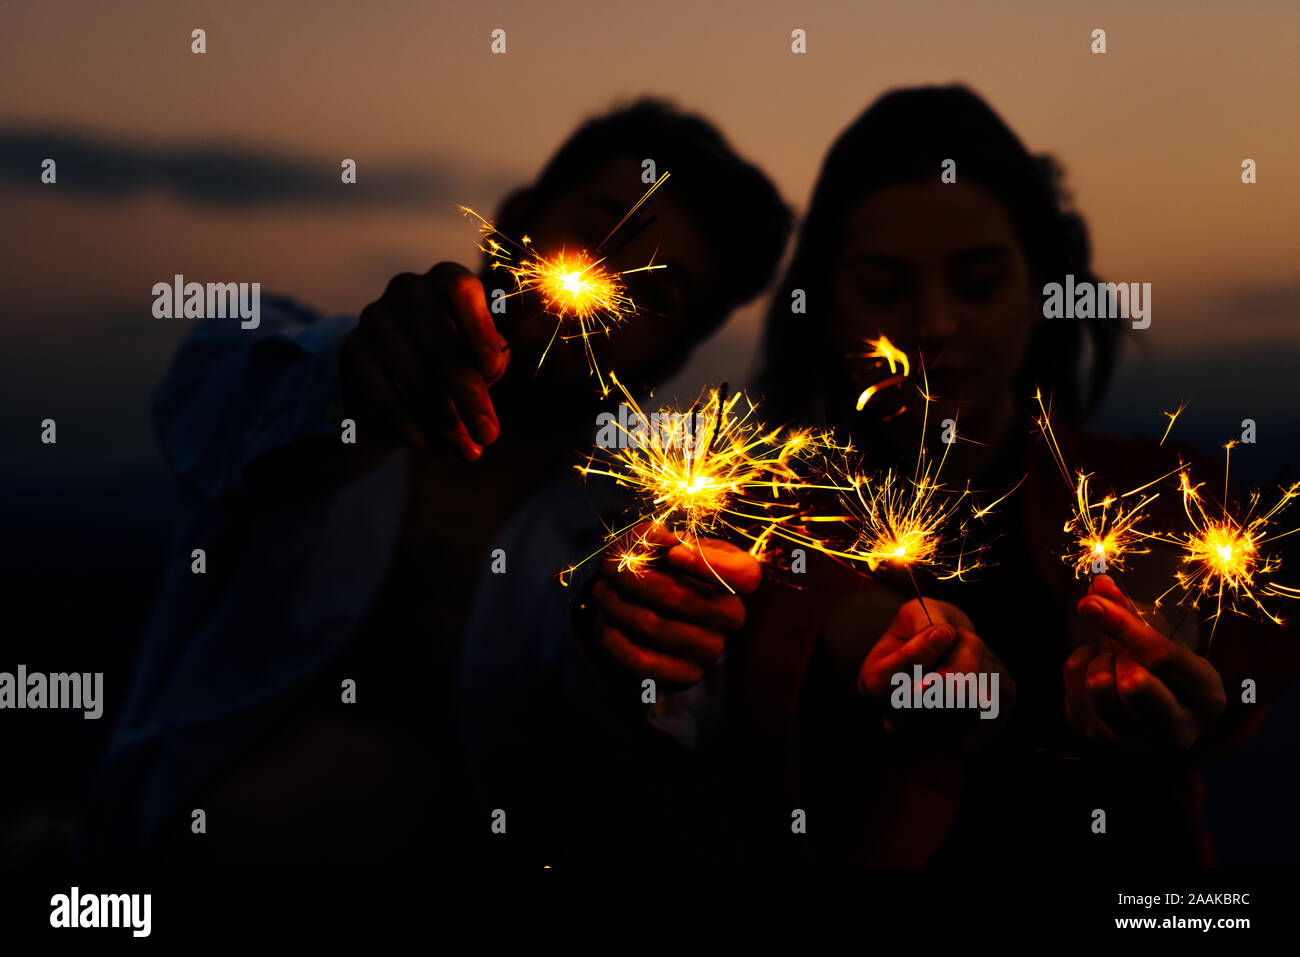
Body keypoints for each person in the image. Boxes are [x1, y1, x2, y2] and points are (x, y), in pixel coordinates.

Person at [572, 85, 1298, 866]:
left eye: (978, 282)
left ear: (1041, 289)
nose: (933, 326)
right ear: (825, 302)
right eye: (885, 287)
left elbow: (1180, 588)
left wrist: (1150, 659)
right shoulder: (754, 514)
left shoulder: (1149, 486)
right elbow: (787, 612)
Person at [81, 98, 792, 865]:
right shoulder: (290, 360)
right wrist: (357, 382)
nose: (609, 282)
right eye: (597, 228)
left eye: (659, 291)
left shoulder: (642, 544)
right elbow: (216, 411)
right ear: (516, 217)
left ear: (679, 351)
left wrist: (645, 655)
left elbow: (653, 739)